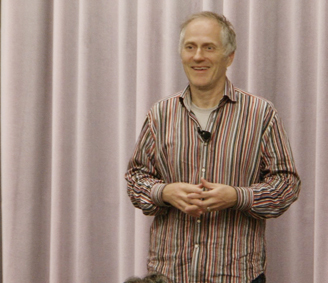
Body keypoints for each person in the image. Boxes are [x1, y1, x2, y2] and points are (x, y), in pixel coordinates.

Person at [126, 11, 300, 283]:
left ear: (229, 56)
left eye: (209, 47)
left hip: (237, 274)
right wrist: (165, 192)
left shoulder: (261, 114)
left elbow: (287, 185)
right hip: (169, 274)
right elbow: (135, 179)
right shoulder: (160, 114)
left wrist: (237, 196)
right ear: (181, 53)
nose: (198, 56)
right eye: (190, 47)